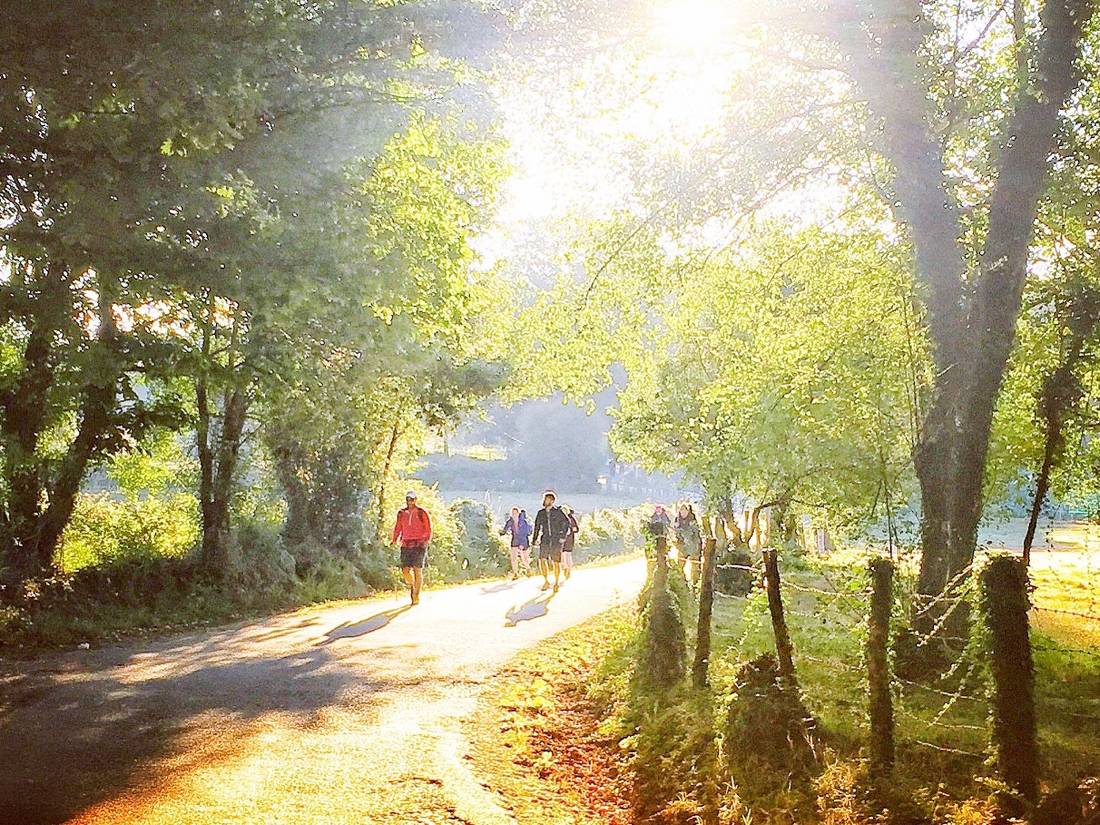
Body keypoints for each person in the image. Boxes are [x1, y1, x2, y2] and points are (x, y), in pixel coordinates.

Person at [392, 490, 432, 605]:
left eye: (412, 499)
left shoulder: (421, 512)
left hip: (419, 543)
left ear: (416, 500)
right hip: (406, 543)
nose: (410, 501)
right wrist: (395, 539)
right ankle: (413, 586)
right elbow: (398, 526)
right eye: (408, 499)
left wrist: (426, 539)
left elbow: (428, 527)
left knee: (417, 569)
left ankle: (415, 595)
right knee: (405, 570)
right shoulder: (401, 513)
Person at [531, 490, 569, 592]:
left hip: (556, 539)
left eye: (547, 499)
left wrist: (563, 536)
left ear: (552, 501)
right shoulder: (541, 513)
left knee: (556, 561)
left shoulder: (558, 512)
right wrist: (534, 539)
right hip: (545, 538)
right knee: (542, 559)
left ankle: (556, 582)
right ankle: (546, 581)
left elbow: (566, 523)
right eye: (545, 499)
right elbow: (537, 527)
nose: (545, 501)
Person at [674, 503, 703, 585]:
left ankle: (695, 584)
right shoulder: (677, 520)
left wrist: (697, 547)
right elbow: (676, 534)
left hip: (693, 546)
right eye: (681, 510)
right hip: (683, 547)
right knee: (679, 566)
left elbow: (696, 533)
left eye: (685, 510)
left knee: (695, 568)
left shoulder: (692, 520)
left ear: (688, 511)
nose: (683, 512)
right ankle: (682, 584)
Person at [500, 506, 533, 579]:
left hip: (524, 541)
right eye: (513, 513)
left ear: (518, 513)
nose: (514, 514)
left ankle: (528, 569)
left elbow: (524, 533)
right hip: (514, 541)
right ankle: (515, 573)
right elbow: (505, 529)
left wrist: (521, 544)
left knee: (524, 559)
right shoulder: (510, 521)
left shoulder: (523, 522)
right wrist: (501, 533)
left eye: (515, 513)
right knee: (513, 558)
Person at [560, 504, 580, 579]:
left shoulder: (561, 519)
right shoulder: (571, 519)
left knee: (563, 554)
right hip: (570, 539)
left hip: (563, 540)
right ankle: (568, 569)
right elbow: (576, 529)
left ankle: (566, 568)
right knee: (567, 554)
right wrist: (571, 530)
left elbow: (576, 529)